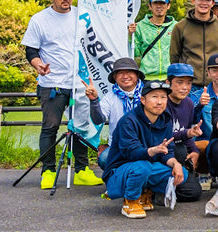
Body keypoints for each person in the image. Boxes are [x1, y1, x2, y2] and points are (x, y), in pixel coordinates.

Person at [22, 0, 101, 188]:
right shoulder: (39, 19)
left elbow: (101, 38)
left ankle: (82, 170)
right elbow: (31, 49)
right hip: (52, 84)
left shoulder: (82, 16)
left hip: (80, 82)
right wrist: (38, 64)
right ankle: (47, 172)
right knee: (50, 127)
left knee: (81, 126)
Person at [100, 80, 187, 218]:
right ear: (143, 100)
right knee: (143, 166)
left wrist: (175, 164)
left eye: (163, 97)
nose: (159, 102)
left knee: (181, 172)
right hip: (119, 172)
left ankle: (144, 192)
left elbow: (167, 151)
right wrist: (153, 150)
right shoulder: (128, 121)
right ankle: (131, 201)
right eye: (154, 97)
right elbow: (131, 153)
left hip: (144, 166)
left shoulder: (165, 120)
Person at [169, 0, 218, 95]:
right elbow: (174, 57)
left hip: (214, 84)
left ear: (213, 3)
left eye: (208, 0)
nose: (204, 3)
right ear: (193, 0)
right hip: (189, 85)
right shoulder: (180, 26)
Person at [163, 63, 204, 202]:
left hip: (180, 152)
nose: (185, 87)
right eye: (179, 82)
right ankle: (154, 187)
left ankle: (167, 190)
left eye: (189, 83)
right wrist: (187, 134)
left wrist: (195, 151)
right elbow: (163, 137)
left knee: (193, 192)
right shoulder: (161, 102)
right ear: (168, 82)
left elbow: (187, 133)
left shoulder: (188, 103)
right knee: (180, 150)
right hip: (161, 153)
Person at [87, 57, 144, 145]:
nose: (125, 76)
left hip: (145, 144)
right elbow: (98, 120)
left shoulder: (147, 94)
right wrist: (94, 101)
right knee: (104, 158)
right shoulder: (110, 97)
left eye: (129, 72)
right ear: (115, 77)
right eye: (121, 73)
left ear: (137, 75)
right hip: (117, 146)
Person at [130, 0, 176, 81]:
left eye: (162, 3)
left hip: (170, 78)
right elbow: (135, 53)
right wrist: (130, 35)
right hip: (147, 78)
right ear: (150, 6)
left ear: (168, 6)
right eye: (155, 3)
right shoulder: (140, 26)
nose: (159, 6)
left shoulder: (176, 26)